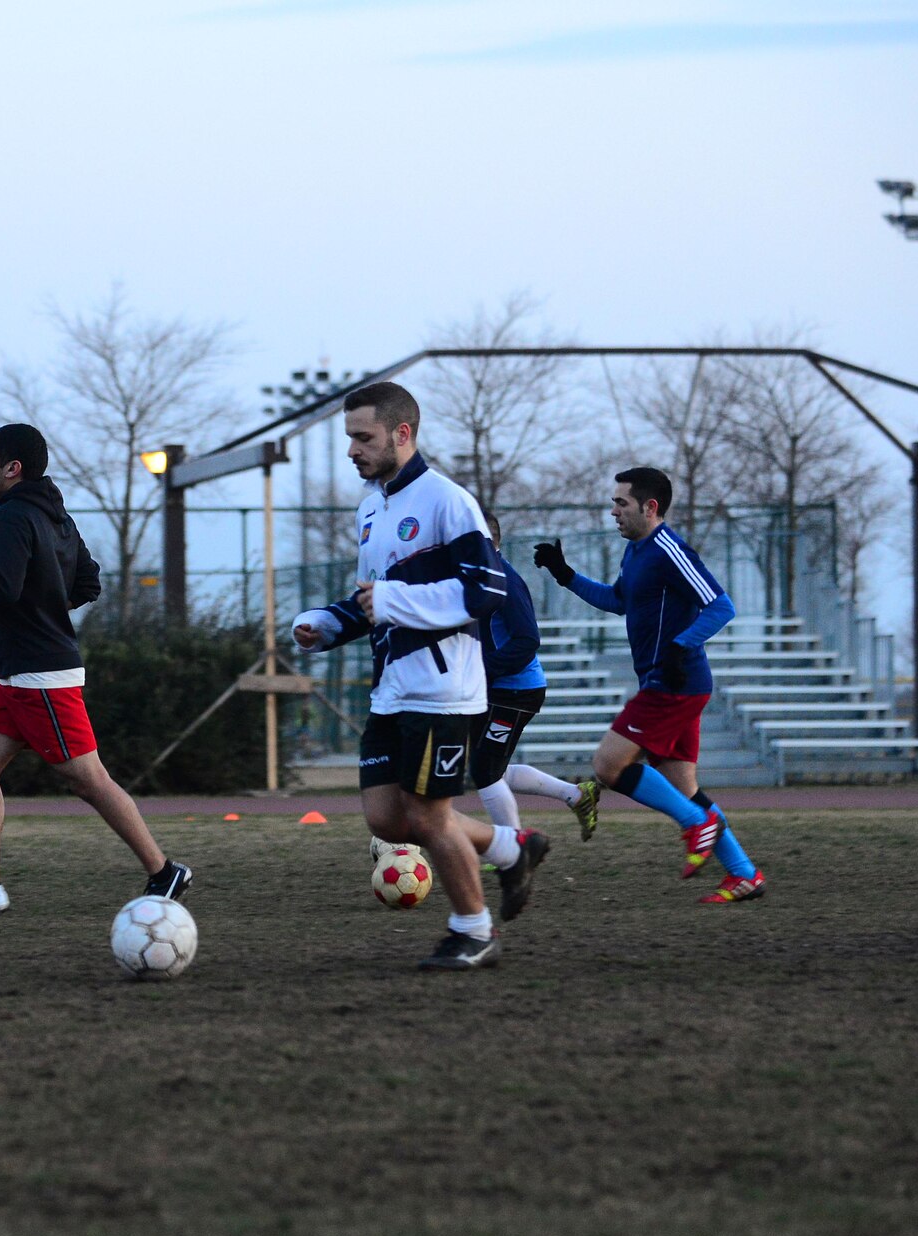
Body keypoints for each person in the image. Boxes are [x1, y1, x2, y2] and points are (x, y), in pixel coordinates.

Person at [293, 382, 548, 971]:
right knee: (389, 819)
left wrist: (393, 602)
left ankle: (473, 930)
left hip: (443, 690)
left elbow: (487, 590)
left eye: (364, 437)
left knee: (429, 818)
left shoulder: (447, 502)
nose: (352, 450)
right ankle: (513, 848)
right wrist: (323, 626)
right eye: (350, 438)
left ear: (402, 434)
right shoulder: (371, 507)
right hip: (391, 688)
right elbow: (372, 601)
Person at [0, 423, 192, 921]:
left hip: (39, 677)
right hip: (20, 675)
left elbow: (3, 590)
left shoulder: (8, 519)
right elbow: (89, 582)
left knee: (89, 780)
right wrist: (50, 608)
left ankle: (164, 870)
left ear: (13, 468)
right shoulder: (57, 518)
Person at [532, 467, 765, 902]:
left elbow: (721, 606)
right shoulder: (637, 552)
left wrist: (680, 646)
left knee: (607, 766)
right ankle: (743, 873)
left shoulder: (669, 549)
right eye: (613, 503)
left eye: (621, 503)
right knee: (684, 788)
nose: (613, 511)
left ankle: (698, 825)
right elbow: (618, 600)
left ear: (649, 507)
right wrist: (565, 575)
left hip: (674, 682)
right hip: (670, 682)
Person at [471, 510, 603, 843]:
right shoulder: (479, 577)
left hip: (514, 693)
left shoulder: (504, 581)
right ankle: (576, 795)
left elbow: (527, 640)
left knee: (485, 772)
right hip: (495, 689)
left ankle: (512, 849)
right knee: (489, 768)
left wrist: (484, 670)